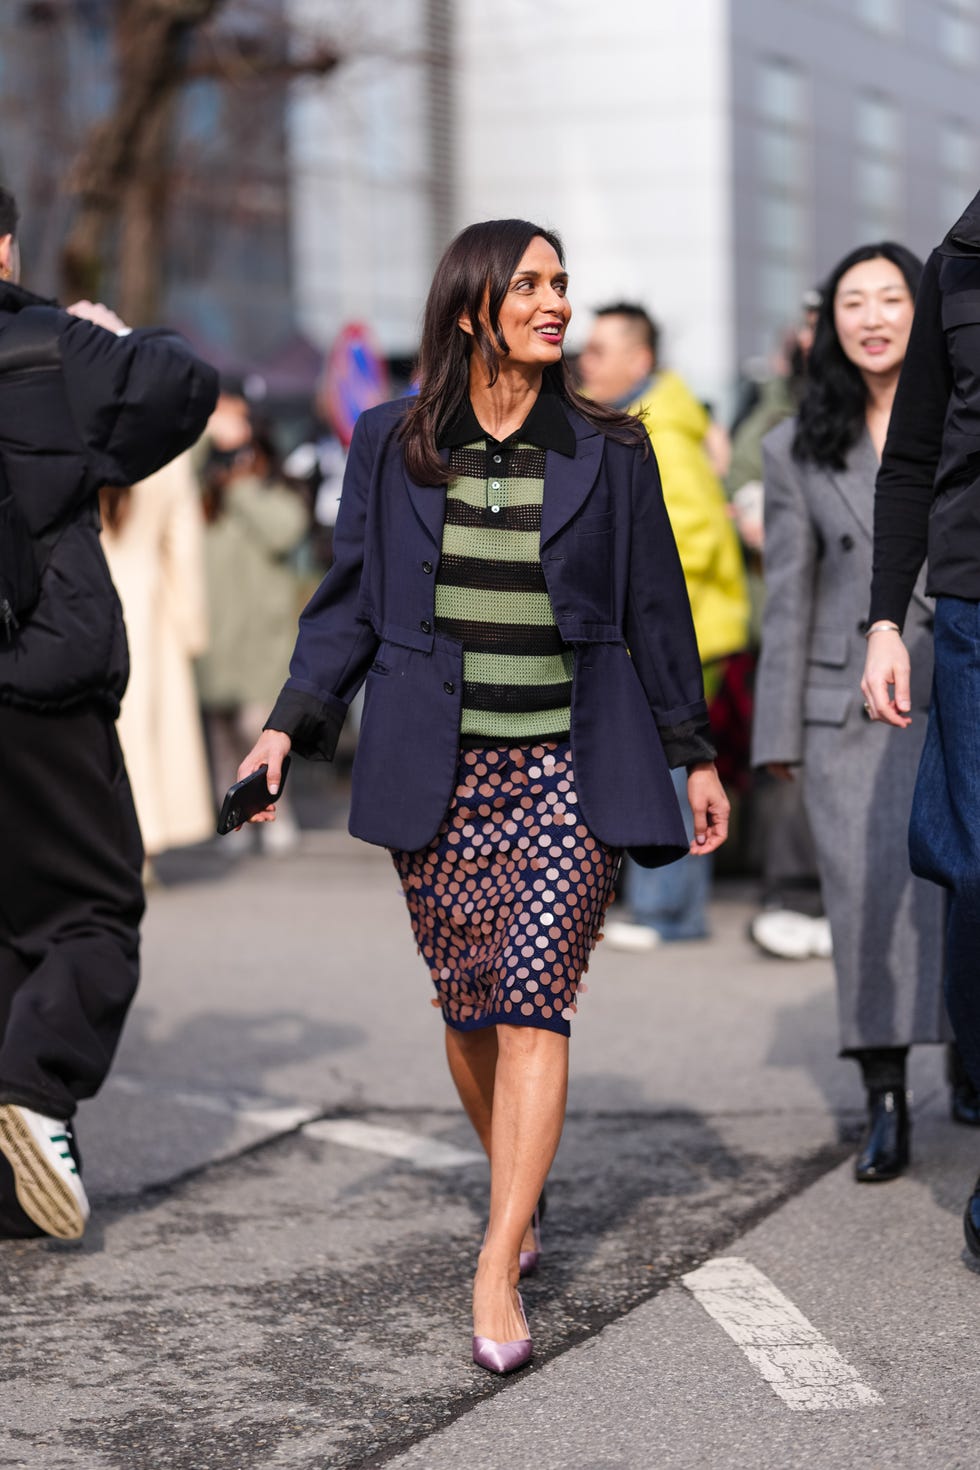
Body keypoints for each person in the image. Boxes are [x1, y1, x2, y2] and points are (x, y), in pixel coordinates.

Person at [238, 220, 729, 1372]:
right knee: (467, 1009)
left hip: (568, 762)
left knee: (534, 1004)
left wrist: (691, 752)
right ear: (472, 310)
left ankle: (497, 1252)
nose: (556, 304)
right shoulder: (390, 443)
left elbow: (658, 609)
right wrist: (282, 728)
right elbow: (349, 603)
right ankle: (524, 1189)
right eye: (531, 286)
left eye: (562, 284)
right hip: (438, 770)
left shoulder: (612, 449)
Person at [0, 187, 217, 1239]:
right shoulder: (48, 348)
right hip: (40, 677)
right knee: (90, 911)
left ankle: (5, 1185)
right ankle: (37, 1096)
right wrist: (108, 334)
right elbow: (182, 387)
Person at [753, 242, 967, 1185]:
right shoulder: (795, 445)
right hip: (850, 708)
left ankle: (967, 1056)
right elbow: (788, 598)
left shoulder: (961, 418)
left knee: (958, 890)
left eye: (891, 297)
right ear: (829, 324)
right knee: (867, 905)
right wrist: (777, 738)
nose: (875, 317)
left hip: (954, 681)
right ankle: (883, 1097)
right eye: (854, 302)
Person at [861, 189, 980, 1252]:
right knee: (976, 864)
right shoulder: (956, 264)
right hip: (974, 608)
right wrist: (884, 622)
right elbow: (906, 464)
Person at [578, 303, 748, 948]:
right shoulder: (651, 421)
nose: (584, 363)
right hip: (680, 628)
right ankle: (664, 906)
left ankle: (668, 911)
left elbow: (690, 542)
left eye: (598, 351)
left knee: (675, 768)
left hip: (684, 632)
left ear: (638, 361)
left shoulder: (662, 433)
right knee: (671, 767)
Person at [727, 314, 830, 962]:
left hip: (870, 619)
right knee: (784, 760)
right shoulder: (771, 417)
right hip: (785, 615)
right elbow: (752, 509)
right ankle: (791, 893)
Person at [196, 415, 309, 853]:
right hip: (216, 644)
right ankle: (233, 817)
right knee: (223, 740)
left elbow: (286, 531)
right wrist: (211, 434)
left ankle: (279, 811)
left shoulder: (273, 498)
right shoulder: (205, 506)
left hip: (262, 644)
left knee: (262, 732)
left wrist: (240, 487)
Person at [101, 453, 214, 871]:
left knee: (101, 727)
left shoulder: (74, 428)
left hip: (84, 590)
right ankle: (142, 843)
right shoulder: (169, 448)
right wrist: (191, 626)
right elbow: (184, 544)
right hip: (150, 599)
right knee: (148, 728)